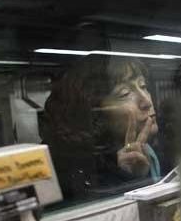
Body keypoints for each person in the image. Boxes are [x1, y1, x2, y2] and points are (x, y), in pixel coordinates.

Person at [40, 54, 162, 199]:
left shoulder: (149, 151)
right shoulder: (68, 172)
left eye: (143, 86)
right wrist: (125, 177)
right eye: (125, 93)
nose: (146, 101)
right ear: (95, 114)